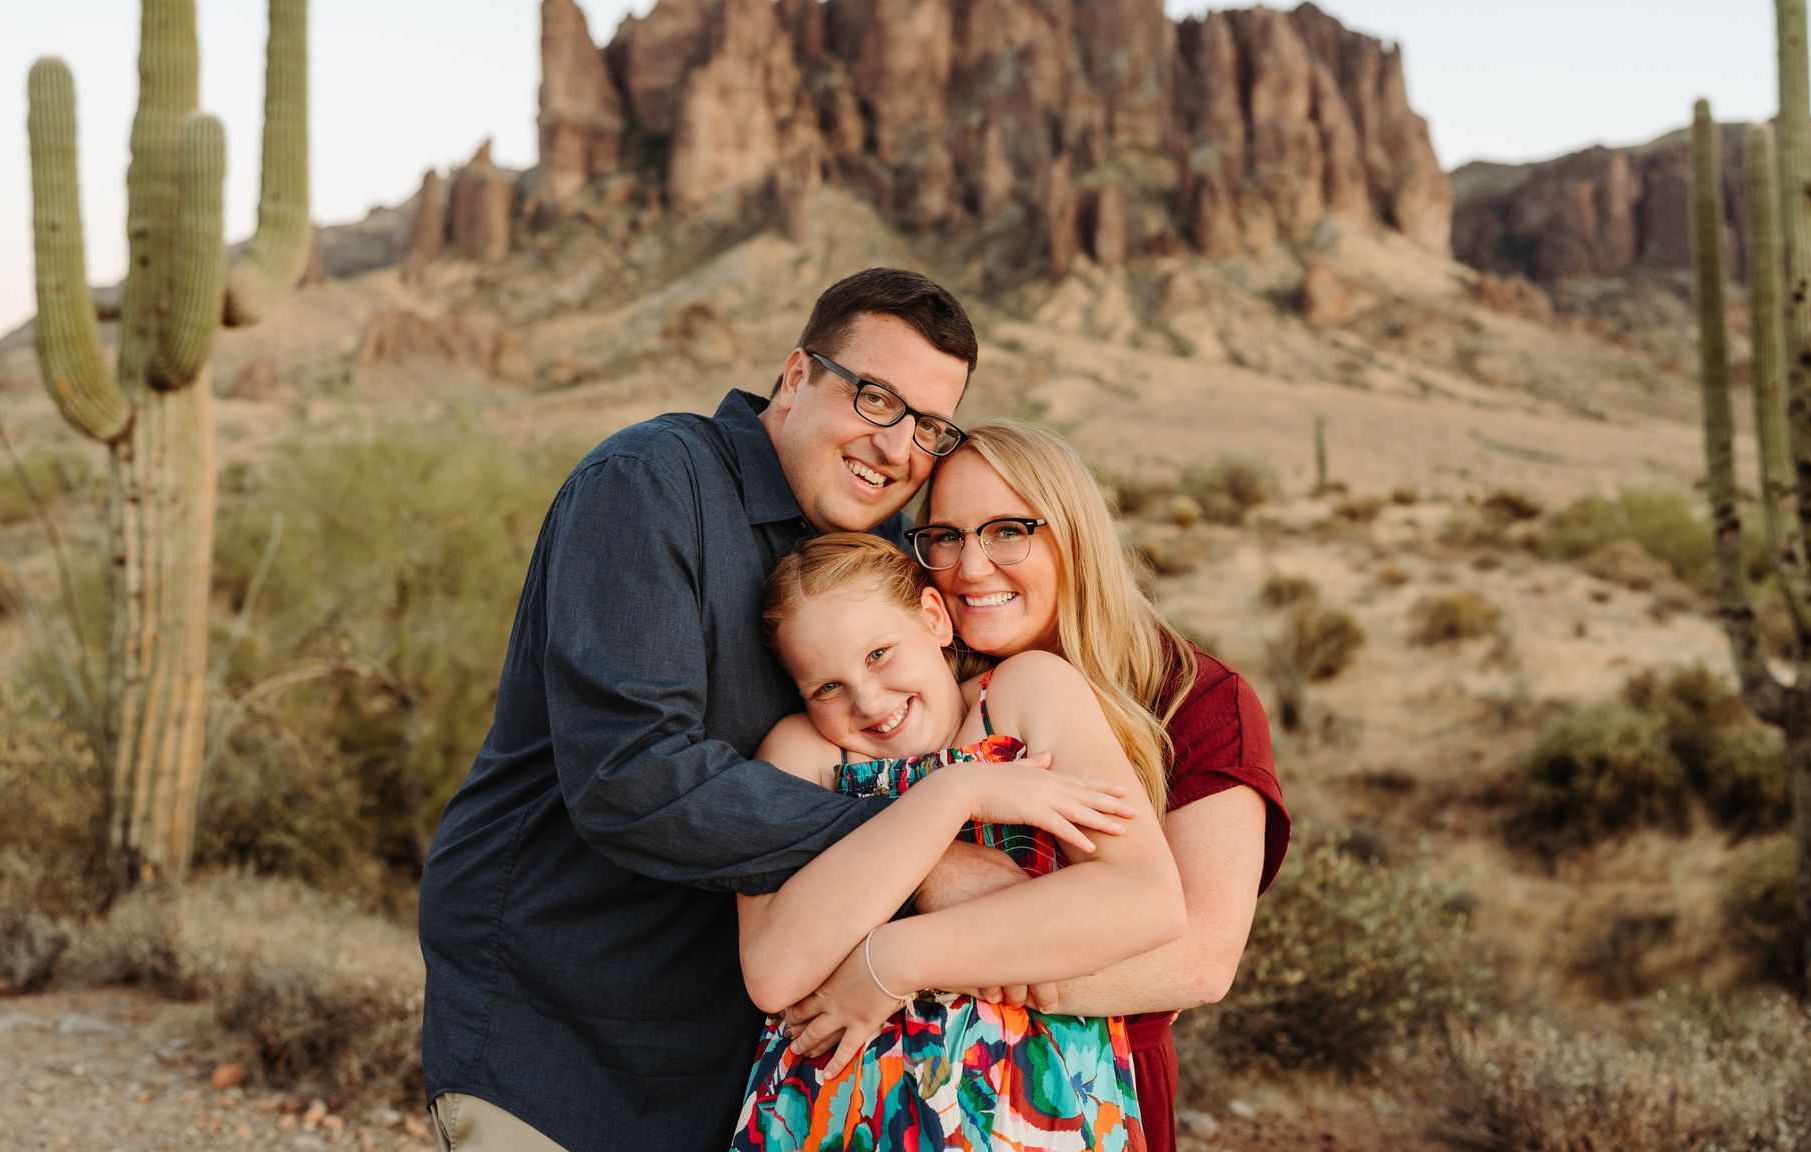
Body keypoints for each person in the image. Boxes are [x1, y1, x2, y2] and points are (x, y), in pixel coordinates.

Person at [420, 269, 1008, 1152]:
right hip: (560, 1029)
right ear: (797, 374)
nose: (897, 449)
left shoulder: (879, 556)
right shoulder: (650, 484)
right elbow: (633, 776)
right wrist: (925, 850)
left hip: (741, 1061)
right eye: (877, 399)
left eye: (928, 426)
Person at [786, 421, 1289, 1152]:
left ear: (1075, 534)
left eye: (1008, 531)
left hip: (1090, 1090)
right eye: (948, 536)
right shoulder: (903, 687)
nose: (971, 567)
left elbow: (1197, 960)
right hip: (895, 1088)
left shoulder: (1197, 700)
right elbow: (800, 819)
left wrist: (910, 951)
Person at [730, 533, 1184, 1150]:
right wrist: (956, 794)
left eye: (880, 653)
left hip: (1036, 1106)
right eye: (826, 688)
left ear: (935, 617)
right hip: (845, 1111)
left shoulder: (1025, 695)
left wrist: (893, 960)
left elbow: (1146, 898)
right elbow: (774, 971)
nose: (867, 700)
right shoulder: (804, 753)